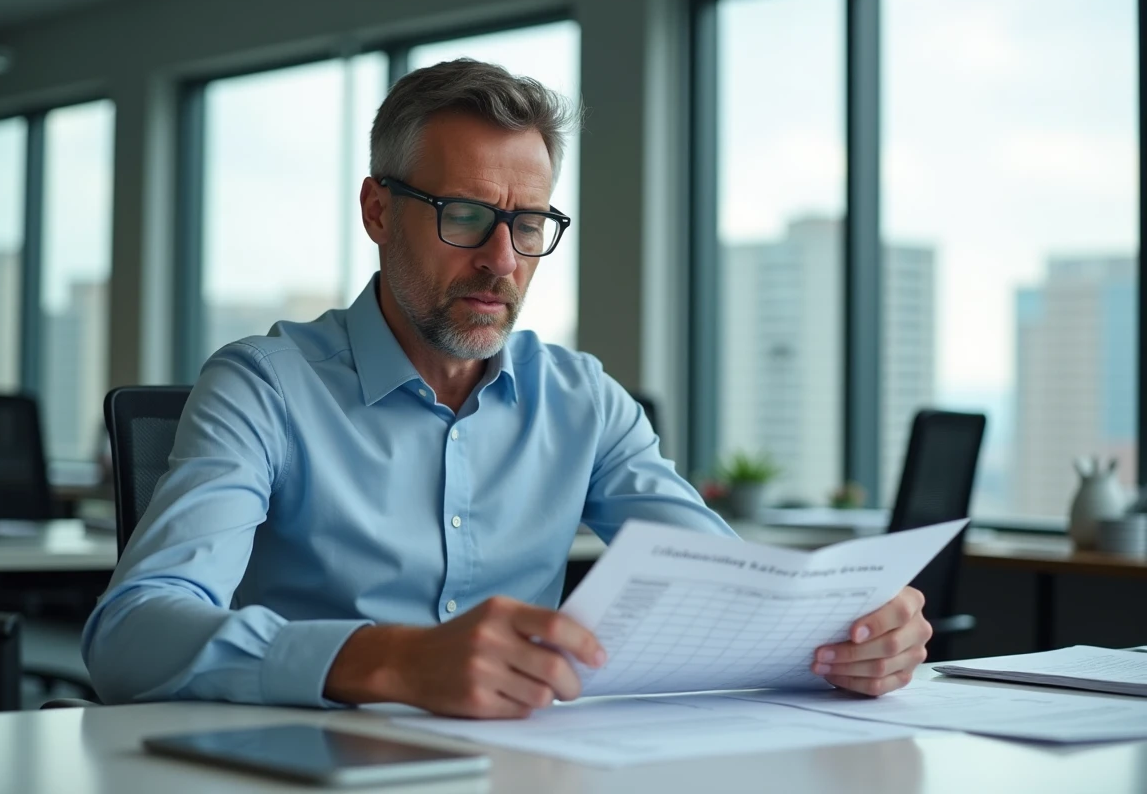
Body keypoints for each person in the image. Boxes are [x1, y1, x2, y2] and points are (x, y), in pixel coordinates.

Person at [82, 59, 931, 718]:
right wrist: (393, 661)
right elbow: (132, 633)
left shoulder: (583, 402)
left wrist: (852, 632)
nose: (502, 260)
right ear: (379, 212)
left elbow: (722, 585)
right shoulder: (263, 387)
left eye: (528, 224)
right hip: (311, 760)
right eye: (464, 216)